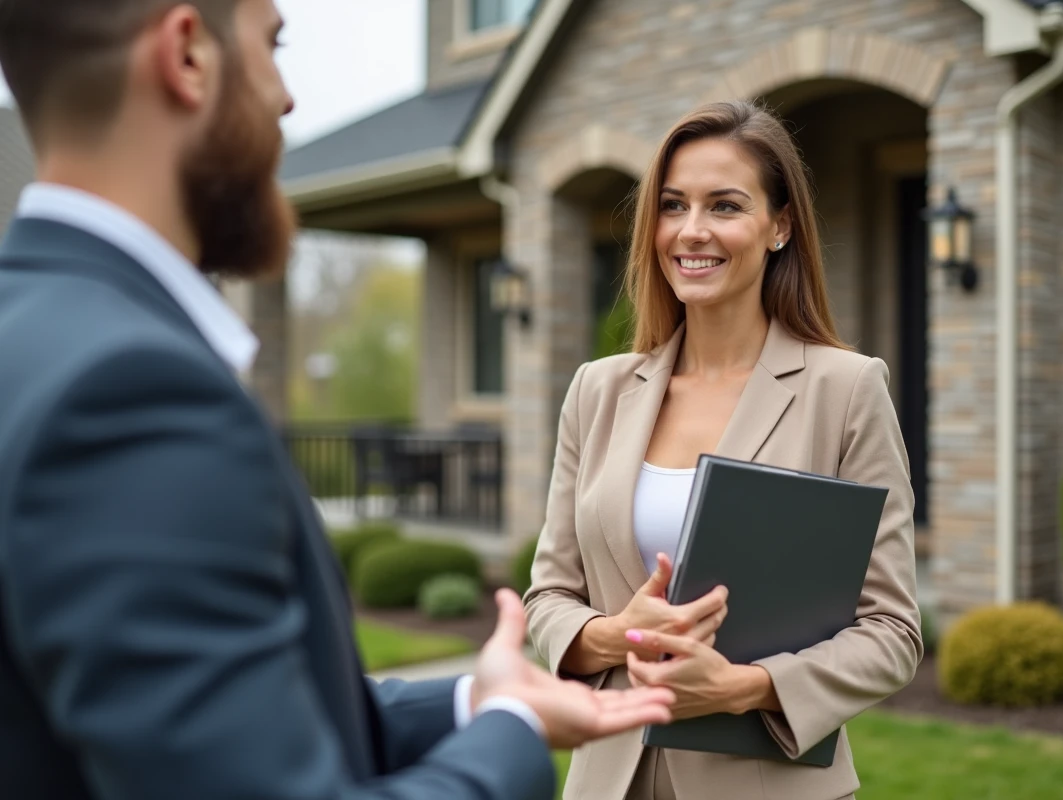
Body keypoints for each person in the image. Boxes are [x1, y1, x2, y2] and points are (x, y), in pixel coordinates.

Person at [0, 1, 676, 798]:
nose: (287, 97)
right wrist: (512, 737)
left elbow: (230, 735)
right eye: (272, 46)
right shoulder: (134, 393)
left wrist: (476, 701)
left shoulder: (32, 336)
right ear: (188, 55)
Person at [523, 99, 923, 800]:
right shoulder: (598, 391)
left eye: (726, 206)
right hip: (609, 778)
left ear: (779, 227)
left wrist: (745, 688)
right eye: (673, 206)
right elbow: (549, 597)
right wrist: (621, 637)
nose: (692, 231)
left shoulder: (847, 388)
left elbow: (892, 631)